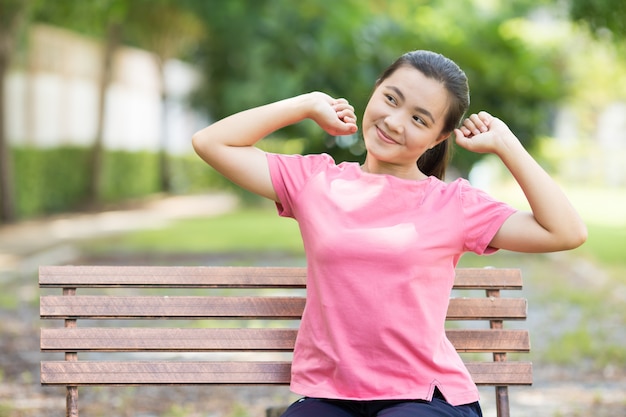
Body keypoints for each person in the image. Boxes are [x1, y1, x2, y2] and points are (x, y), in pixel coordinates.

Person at [192, 50, 587, 417]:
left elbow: (565, 232)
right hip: (334, 396)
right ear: (374, 93)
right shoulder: (315, 181)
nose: (394, 122)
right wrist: (305, 104)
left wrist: (507, 146)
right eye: (391, 99)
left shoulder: (453, 204)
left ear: (438, 139)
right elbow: (211, 142)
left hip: (427, 396)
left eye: (419, 119)